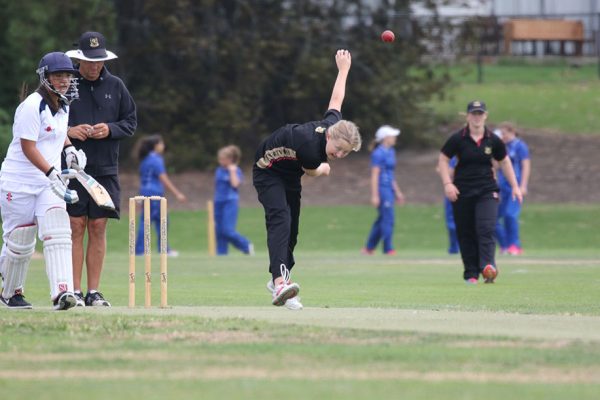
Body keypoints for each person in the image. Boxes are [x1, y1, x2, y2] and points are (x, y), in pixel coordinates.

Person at [253, 49, 361, 310]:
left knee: (292, 231)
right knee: (280, 219)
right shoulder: (312, 151)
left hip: (289, 174)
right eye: (339, 149)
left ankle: (280, 281)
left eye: (345, 153)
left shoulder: (331, 125)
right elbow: (312, 172)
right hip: (267, 171)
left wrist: (343, 69)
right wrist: (324, 168)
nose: (339, 155)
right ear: (330, 137)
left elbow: (336, 101)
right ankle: (280, 282)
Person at [0, 52, 85, 310]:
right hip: (19, 182)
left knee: (58, 229)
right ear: (45, 77)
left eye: (68, 76)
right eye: (58, 76)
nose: (64, 81)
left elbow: (58, 135)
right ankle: (10, 291)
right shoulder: (31, 106)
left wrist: (70, 150)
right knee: (20, 241)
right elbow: (28, 147)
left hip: (49, 182)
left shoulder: (64, 105)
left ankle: (63, 293)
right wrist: (50, 171)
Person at [65, 31, 137, 307]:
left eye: (99, 61)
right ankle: (74, 291)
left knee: (97, 226)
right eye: (89, 61)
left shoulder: (116, 85)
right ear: (79, 59)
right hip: (71, 169)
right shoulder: (66, 83)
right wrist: (70, 131)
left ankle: (94, 291)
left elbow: (130, 122)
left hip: (105, 169)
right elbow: (51, 123)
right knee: (75, 226)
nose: (95, 66)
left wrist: (110, 129)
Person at [438, 100, 523, 284]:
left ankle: (487, 267)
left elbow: (505, 162)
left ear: (485, 115)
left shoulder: (493, 139)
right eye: (473, 113)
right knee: (465, 231)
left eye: (480, 113)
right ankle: (471, 274)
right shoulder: (458, 138)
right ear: (467, 116)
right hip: (462, 191)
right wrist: (447, 184)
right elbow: (443, 159)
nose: (477, 117)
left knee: (486, 228)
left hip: (487, 190)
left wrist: (515, 186)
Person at [135, 135, 187, 257]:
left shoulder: (145, 159)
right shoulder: (156, 159)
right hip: (154, 194)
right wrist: (177, 193)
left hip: (145, 192)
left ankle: (142, 250)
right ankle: (159, 249)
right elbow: (163, 178)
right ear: (156, 145)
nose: (163, 146)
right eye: (161, 143)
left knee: (150, 220)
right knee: (159, 221)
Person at [362, 125, 405, 255]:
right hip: (382, 189)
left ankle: (369, 248)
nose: (395, 138)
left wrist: (397, 191)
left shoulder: (391, 151)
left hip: (389, 189)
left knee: (382, 219)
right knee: (388, 219)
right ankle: (388, 248)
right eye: (392, 136)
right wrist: (375, 195)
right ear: (385, 138)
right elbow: (375, 175)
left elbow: (391, 174)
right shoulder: (378, 153)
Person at [495, 122, 530, 256]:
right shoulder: (501, 147)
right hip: (502, 188)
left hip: (515, 188)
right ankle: (505, 245)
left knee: (510, 215)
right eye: (501, 134)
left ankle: (515, 245)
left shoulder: (520, 146)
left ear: (512, 132)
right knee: (492, 218)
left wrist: (523, 185)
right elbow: (496, 166)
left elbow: (526, 165)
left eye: (505, 133)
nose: (503, 136)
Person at [214, 145, 253, 256]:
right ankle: (221, 255)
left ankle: (246, 245)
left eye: (222, 159)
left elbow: (235, 184)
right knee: (219, 231)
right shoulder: (219, 170)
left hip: (230, 201)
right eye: (219, 159)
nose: (220, 161)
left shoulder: (236, 170)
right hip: (218, 202)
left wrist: (232, 171)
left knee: (227, 230)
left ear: (230, 159)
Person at [443, 157, 460, 254]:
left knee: (454, 222)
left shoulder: (457, 156)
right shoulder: (451, 157)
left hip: (459, 191)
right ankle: (454, 247)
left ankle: (456, 247)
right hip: (452, 191)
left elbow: (449, 172)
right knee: (451, 222)